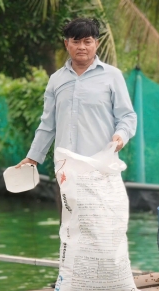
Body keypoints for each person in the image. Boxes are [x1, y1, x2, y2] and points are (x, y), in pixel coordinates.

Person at [16, 18, 137, 215]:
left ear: (96, 43)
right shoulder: (56, 80)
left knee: (100, 227)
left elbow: (127, 116)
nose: (82, 47)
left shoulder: (112, 76)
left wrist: (121, 136)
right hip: (66, 171)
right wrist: (32, 158)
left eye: (87, 41)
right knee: (69, 229)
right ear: (67, 44)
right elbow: (48, 125)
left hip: (100, 168)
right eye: (76, 41)